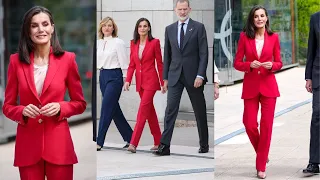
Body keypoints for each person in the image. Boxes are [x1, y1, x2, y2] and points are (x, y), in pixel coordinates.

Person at [2, 6, 87, 180]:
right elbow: (8, 106)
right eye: (34, 25)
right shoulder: (15, 62)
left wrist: (60, 107)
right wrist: (22, 111)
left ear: (52, 28)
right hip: (28, 148)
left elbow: (79, 103)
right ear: (28, 30)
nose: (40, 29)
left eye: (45, 24)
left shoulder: (68, 60)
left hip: (59, 147)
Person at [154, 0, 209, 156]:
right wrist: (165, 79)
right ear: (175, 10)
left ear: (189, 9)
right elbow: (168, 55)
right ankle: (164, 146)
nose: (183, 12)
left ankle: (204, 144)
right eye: (180, 9)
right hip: (174, 76)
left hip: (194, 77)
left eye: (185, 9)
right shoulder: (169, 29)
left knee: (199, 111)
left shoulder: (198, 27)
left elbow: (204, 53)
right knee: (170, 109)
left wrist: (200, 75)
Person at [233, 5, 283, 179]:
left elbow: (279, 62)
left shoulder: (274, 37)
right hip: (251, 86)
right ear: (252, 19)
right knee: (249, 124)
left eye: (262, 16)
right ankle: (262, 153)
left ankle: (261, 166)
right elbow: (237, 62)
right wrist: (249, 65)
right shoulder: (244, 37)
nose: (260, 19)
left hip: (269, 86)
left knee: (267, 127)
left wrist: (273, 66)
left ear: (267, 18)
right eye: (256, 16)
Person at [124, 18, 165, 153]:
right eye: (140, 26)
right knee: (149, 112)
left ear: (148, 28)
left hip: (151, 82)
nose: (142, 28)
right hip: (140, 82)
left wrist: (163, 81)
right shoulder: (133, 43)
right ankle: (159, 141)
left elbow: (159, 63)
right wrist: (128, 80)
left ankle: (133, 143)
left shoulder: (154, 43)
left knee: (142, 112)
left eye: (145, 26)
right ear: (137, 29)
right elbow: (132, 64)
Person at [96, 17, 133, 151]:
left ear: (113, 28)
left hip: (115, 77)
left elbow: (124, 62)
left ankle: (99, 141)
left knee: (106, 108)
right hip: (103, 75)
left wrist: (125, 79)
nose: (107, 28)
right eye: (104, 25)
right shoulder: (99, 43)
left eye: (109, 25)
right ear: (101, 27)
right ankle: (131, 137)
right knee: (114, 110)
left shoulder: (118, 42)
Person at [303, 11, 320, 176]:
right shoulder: (315, 18)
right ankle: (314, 162)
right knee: (317, 115)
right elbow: (311, 47)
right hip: (318, 74)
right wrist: (308, 76)